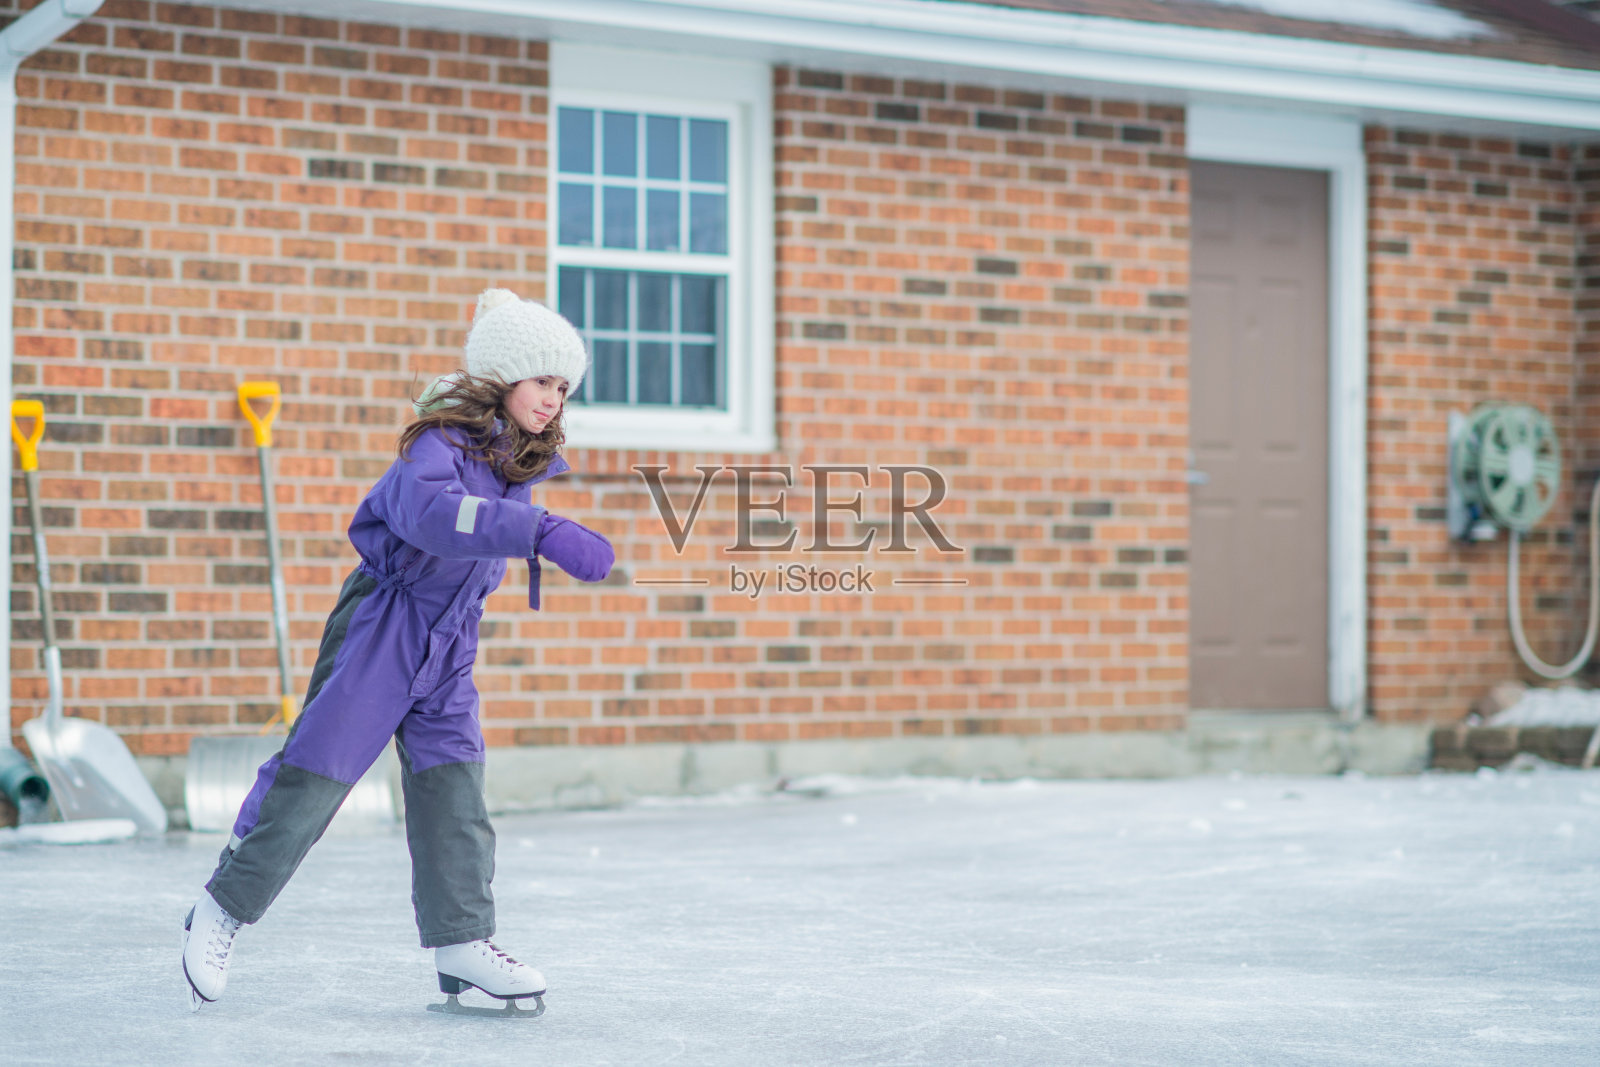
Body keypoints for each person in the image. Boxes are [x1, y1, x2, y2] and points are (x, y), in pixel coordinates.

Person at [181, 288, 614, 1014]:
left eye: (563, 387)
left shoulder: (515, 463)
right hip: (386, 627)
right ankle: (222, 907)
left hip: (449, 644)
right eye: (543, 380)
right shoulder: (435, 444)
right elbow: (434, 516)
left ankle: (462, 939)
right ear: (503, 376)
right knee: (316, 775)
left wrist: (529, 519)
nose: (553, 398)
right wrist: (536, 531)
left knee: (455, 790)